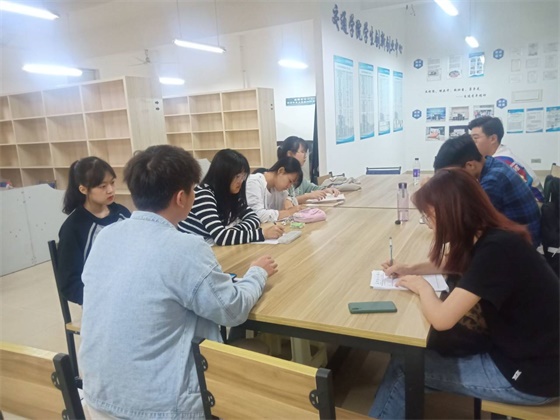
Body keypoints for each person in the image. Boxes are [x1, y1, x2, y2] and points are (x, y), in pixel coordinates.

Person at [79, 145, 277, 418]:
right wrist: (257, 273)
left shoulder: (106, 237)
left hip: (97, 399)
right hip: (160, 408)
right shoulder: (186, 247)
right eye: (194, 190)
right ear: (182, 197)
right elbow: (232, 310)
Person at [369, 168, 559, 419]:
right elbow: (457, 263)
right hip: (529, 352)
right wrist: (410, 268)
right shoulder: (492, 236)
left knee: (405, 368)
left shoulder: (495, 252)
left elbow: (442, 319)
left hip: (533, 374)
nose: (429, 224)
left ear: (452, 213)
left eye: (429, 216)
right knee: (413, 360)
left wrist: (422, 286)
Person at [433, 134, 541, 247]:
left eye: (451, 176)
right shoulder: (491, 165)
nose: (450, 181)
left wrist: (432, 202)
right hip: (515, 238)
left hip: (524, 246)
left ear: (470, 165)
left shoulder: (493, 180)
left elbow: (464, 229)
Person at [57, 156, 130, 305]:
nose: (110, 190)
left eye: (112, 183)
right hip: (100, 300)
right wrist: (102, 299)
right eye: (102, 186)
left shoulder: (122, 213)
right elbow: (69, 285)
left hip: (130, 288)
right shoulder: (73, 228)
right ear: (83, 189)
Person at [178, 149, 284, 245]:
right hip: (191, 250)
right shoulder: (204, 195)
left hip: (210, 247)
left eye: (243, 176)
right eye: (237, 176)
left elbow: (254, 218)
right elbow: (221, 237)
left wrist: (232, 231)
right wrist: (261, 234)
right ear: (223, 175)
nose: (240, 181)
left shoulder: (230, 193)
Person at [468, 116, 544, 202]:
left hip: (535, 202)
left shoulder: (501, 162)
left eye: (475, 138)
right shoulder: (502, 153)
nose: (472, 143)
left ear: (493, 139)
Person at [277, 136, 340, 203]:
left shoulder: (298, 175)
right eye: (302, 151)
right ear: (290, 154)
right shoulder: (282, 175)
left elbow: (312, 188)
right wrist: (307, 196)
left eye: (305, 152)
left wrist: (325, 190)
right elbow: (285, 203)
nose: (305, 156)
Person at [246, 156, 304, 223]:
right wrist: (288, 212)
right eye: (290, 181)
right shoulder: (254, 182)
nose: (289, 186)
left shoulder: (278, 189)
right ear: (281, 171)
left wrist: (289, 200)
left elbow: (290, 200)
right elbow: (256, 215)